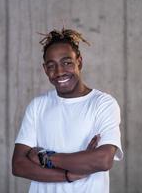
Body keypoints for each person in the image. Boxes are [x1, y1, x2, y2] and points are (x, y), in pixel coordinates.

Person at [12, 27, 123, 193]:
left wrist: (44, 157)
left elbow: (103, 160)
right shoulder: (37, 106)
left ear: (79, 61)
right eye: (51, 66)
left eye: (67, 63)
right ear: (45, 69)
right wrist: (69, 174)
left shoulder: (103, 103)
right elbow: (19, 165)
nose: (59, 72)